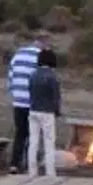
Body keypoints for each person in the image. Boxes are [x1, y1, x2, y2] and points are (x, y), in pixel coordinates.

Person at [6, 32, 48, 172]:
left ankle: (14, 164)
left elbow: (10, 76)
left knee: (20, 133)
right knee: (34, 134)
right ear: (44, 44)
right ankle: (30, 164)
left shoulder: (18, 54)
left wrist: (15, 93)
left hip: (18, 101)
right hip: (34, 101)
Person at [27, 48, 62, 176]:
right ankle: (50, 172)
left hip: (33, 110)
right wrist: (57, 111)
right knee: (49, 142)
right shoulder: (52, 76)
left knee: (33, 141)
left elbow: (30, 91)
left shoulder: (33, 75)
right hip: (47, 112)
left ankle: (32, 170)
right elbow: (56, 97)